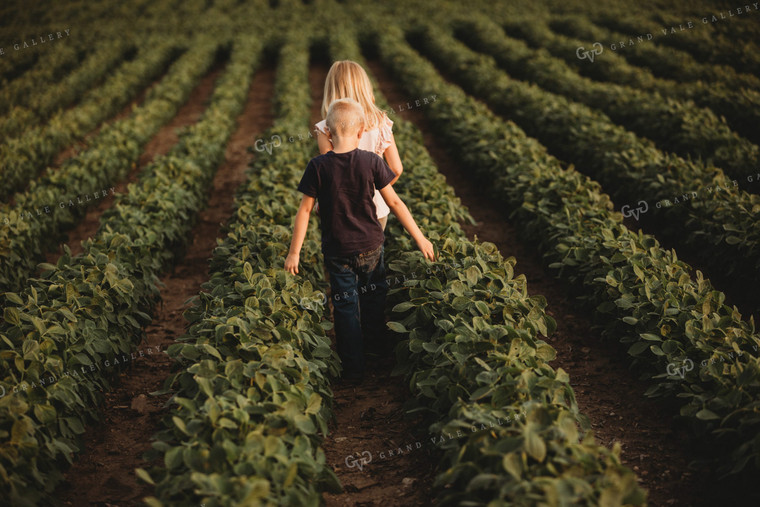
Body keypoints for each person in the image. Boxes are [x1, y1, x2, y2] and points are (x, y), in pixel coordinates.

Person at [285, 98, 435, 383]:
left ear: (327, 132)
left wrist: (295, 253)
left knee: (344, 305)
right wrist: (421, 238)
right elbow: (395, 203)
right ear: (361, 132)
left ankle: (353, 369)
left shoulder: (317, 166)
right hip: (371, 246)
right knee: (374, 297)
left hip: (337, 249)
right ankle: (378, 353)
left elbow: (304, 210)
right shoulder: (372, 161)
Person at [314, 60, 403, 231]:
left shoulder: (325, 127)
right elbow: (397, 169)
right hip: (377, 208)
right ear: (364, 87)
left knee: (342, 252)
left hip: (341, 210)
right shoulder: (381, 122)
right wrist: (374, 191)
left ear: (331, 90)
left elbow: (330, 173)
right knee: (375, 252)